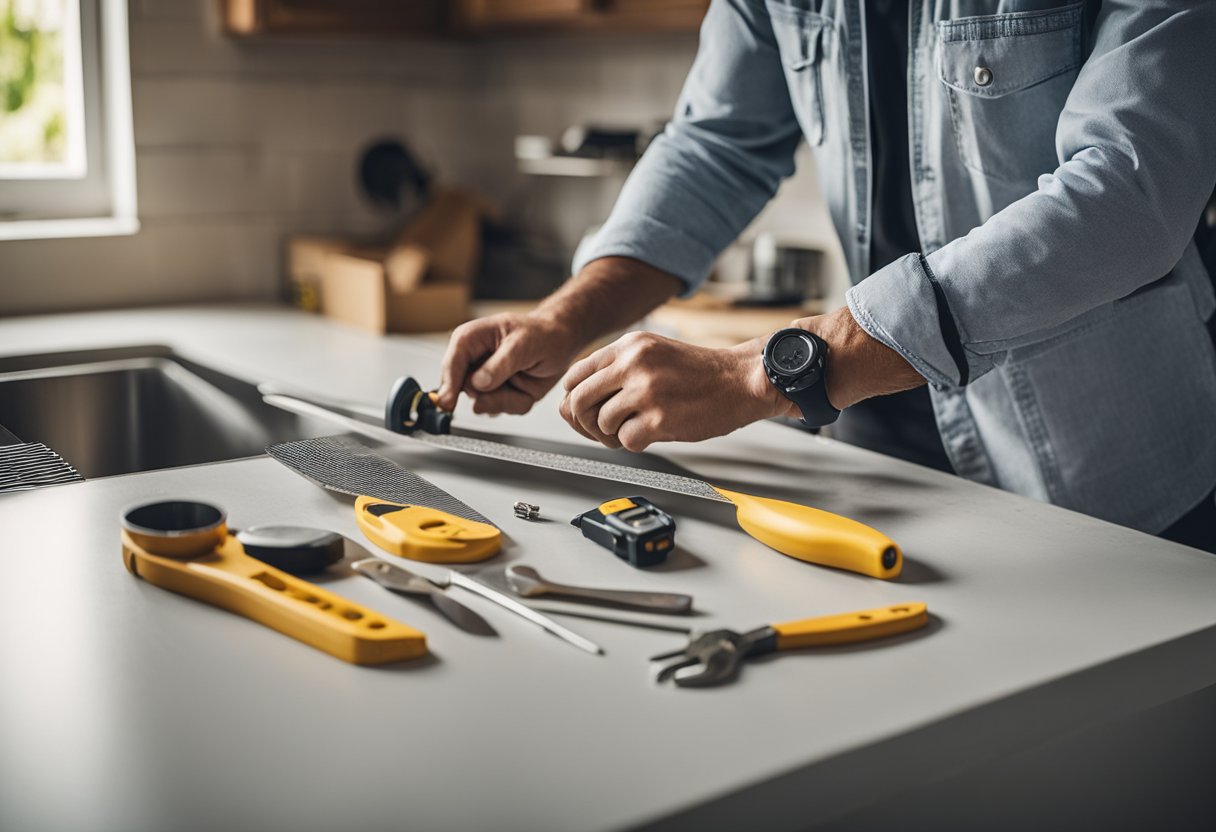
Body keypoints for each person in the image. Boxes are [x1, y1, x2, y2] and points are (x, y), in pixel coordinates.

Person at [437, 0, 1216, 553]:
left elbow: (1133, 187)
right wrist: (567, 318)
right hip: (880, 453)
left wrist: (761, 373)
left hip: (1110, 475)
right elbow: (716, 146)